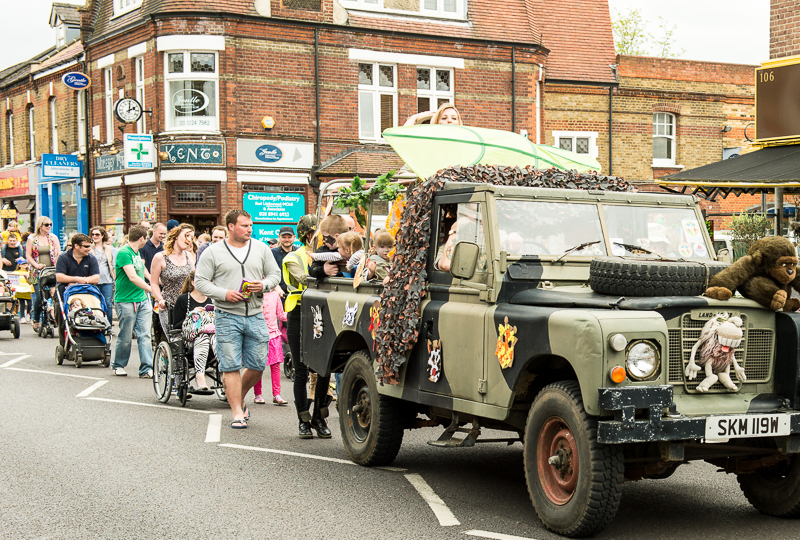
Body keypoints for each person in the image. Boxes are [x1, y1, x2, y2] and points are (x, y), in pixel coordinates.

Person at [194, 209, 281, 429]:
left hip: (255, 314)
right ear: (231, 227)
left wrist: (263, 285)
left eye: (251, 225)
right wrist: (224, 293)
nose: (249, 229)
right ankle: (237, 413)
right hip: (226, 315)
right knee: (230, 365)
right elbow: (200, 282)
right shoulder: (213, 252)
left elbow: (274, 275)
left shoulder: (261, 248)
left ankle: (238, 395)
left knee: (258, 364)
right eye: (244, 225)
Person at [112, 225, 154, 378]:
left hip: (141, 299)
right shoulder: (124, 252)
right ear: (142, 238)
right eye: (147, 237)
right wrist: (152, 290)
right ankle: (118, 364)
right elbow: (132, 276)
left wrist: (153, 281)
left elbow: (142, 271)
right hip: (125, 300)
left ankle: (146, 368)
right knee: (126, 335)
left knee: (145, 334)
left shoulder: (137, 252)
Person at [172, 271, 215, 391]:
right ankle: (200, 375)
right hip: (190, 338)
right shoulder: (183, 299)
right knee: (203, 335)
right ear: (193, 283)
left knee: (215, 337)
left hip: (212, 336)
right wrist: (193, 315)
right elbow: (176, 325)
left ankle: (225, 372)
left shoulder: (212, 300)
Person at [55, 233, 100, 347]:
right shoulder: (63, 257)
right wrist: (77, 279)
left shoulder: (91, 258)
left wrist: (81, 281)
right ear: (76, 246)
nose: (89, 249)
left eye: (89, 246)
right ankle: (64, 345)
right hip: (65, 293)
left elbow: (96, 278)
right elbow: (60, 277)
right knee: (62, 318)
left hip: (86, 293)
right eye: (86, 246)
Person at [151, 223, 196, 335]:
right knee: (175, 341)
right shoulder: (160, 257)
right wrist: (160, 299)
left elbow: (194, 280)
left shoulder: (189, 255)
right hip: (169, 306)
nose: (189, 240)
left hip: (188, 304)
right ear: (176, 236)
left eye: (191, 237)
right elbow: (154, 283)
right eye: (186, 235)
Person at [252, 285, 288, 405]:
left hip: (273, 334)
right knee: (258, 366)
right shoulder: (254, 295)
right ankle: (258, 394)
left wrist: (293, 314)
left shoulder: (275, 295)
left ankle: (277, 395)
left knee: (276, 365)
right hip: (258, 334)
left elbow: (281, 315)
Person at [26, 217, 60, 332]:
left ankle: (50, 319)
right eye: (46, 225)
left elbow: (59, 253)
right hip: (38, 272)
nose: (49, 226)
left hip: (52, 270)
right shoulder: (32, 238)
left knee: (53, 296)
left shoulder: (53, 238)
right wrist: (36, 265)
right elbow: (28, 256)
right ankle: (36, 319)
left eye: (50, 224)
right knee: (39, 297)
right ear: (40, 225)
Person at [89, 226, 115, 318]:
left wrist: (115, 280)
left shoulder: (109, 249)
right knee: (95, 303)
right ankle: (96, 325)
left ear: (102, 235)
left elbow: (113, 265)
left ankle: (108, 326)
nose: (95, 236)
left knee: (107, 303)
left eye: (97, 234)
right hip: (94, 280)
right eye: (93, 234)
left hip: (107, 280)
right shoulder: (89, 248)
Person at [271, 226, 297, 294]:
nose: (287, 239)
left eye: (289, 237)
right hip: (279, 293)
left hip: (296, 292)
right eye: (284, 237)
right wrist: (277, 288)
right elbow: (269, 273)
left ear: (294, 237)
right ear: (279, 237)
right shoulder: (273, 252)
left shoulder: (299, 252)